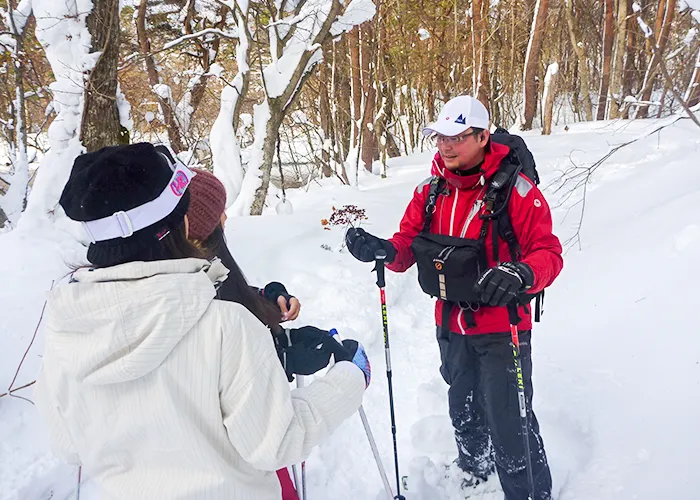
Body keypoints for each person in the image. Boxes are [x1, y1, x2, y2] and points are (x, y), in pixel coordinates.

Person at [33, 142, 371, 500]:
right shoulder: (226, 326)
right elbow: (278, 442)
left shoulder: (65, 330)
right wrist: (350, 377)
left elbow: (68, 445)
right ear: (182, 223)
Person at [345, 95, 563, 500]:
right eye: (439, 137)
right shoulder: (430, 190)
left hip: (504, 327)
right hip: (450, 322)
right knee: (462, 409)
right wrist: (384, 250)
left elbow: (548, 252)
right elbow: (407, 244)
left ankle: (530, 492)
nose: (445, 145)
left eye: (457, 137)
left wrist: (523, 272)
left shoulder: (517, 191)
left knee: (509, 421)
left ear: (483, 136)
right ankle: (475, 473)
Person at [185, 167, 352, 500]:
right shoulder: (187, 294)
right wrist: (282, 355)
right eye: (220, 212)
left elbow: (228, 295)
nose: (226, 219)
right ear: (198, 227)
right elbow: (219, 371)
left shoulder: (190, 270)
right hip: (227, 467)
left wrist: (267, 298)